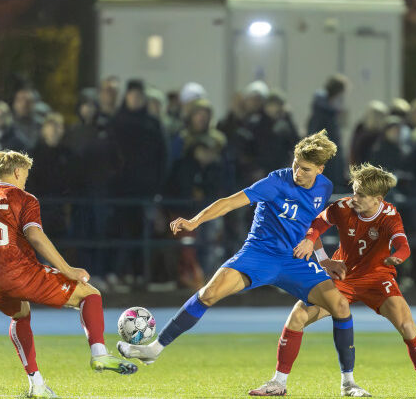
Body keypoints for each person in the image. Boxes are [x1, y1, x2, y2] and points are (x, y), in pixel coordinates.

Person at [117, 130, 366, 396]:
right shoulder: (275, 182)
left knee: (340, 306)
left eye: (305, 169)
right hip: (259, 254)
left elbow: (310, 227)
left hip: (294, 260)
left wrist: (323, 259)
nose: (297, 172)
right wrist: (194, 222)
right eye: (295, 164)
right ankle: (154, 350)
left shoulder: (324, 187)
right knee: (208, 294)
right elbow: (229, 203)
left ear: (320, 168)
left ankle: (348, 383)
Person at [0, 150, 137, 398]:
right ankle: (100, 355)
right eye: (25, 173)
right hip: (19, 273)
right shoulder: (23, 198)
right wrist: (67, 270)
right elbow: (36, 237)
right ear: (17, 172)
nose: (25, 179)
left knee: (20, 315)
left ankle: (36, 384)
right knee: (90, 294)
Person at [250, 163, 416, 398]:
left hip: (377, 279)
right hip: (343, 277)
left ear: (377, 199)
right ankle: (279, 383)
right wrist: (318, 252)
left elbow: (403, 245)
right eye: (354, 191)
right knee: (298, 315)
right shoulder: (342, 208)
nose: (354, 198)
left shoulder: (390, 215)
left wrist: (397, 257)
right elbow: (316, 225)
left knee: (407, 326)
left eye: (361, 194)